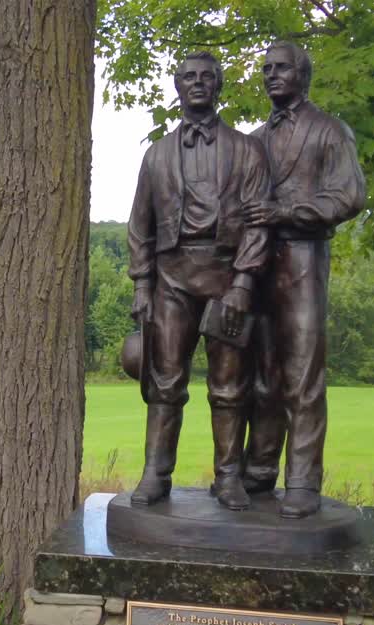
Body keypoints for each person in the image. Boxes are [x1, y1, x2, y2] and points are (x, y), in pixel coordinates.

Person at [126, 51, 272, 511]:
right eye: (188, 77)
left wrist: (244, 284)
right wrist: (142, 286)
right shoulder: (156, 155)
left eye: (207, 77)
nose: (197, 84)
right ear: (177, 86)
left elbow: (258, 224)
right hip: (172, 278)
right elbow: (139, 227)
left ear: (219, 85)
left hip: (226, 276)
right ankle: (156, 474)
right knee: (165, 381)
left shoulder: (247, 150)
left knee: (229, 386)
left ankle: (228, 477)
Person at [241, 41, 367, 518]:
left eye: (281, 68)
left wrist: (288, 211)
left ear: (303, 75)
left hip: (303, 259)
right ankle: (258, 470)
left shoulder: (330, 131)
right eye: (266, 68)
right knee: (263, 374)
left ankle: (303, 481)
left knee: (303, 375)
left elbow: (349, 195)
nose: (271, 75)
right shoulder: (252, 139)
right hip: (256, 266)